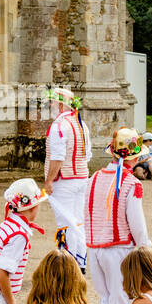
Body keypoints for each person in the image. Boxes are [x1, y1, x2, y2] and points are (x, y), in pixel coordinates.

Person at [85, 127, 151, 304]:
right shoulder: (131, 183)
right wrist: (145, 249)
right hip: (120, 249)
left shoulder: (94, 178)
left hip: (94, 248)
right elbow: (137, 224)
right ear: (133, 157)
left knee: (106, 302)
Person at [43, 86, 93, 270]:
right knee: (78, 220)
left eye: (52, 102)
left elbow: (57, 157)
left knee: (66, 222)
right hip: (81, 177)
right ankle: (81, 261)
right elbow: (87, 156)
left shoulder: (59, 126)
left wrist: (48, 181)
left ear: (60, 105)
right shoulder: (81, 124)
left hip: (64, 180)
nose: (50, 105)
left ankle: (67, 264)